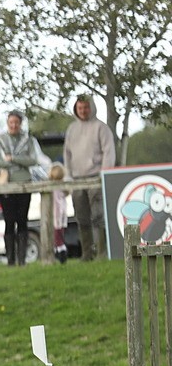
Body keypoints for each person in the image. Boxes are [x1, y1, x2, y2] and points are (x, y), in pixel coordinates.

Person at [63, 94, 117, 261]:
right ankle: (86, 254)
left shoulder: (101, 128)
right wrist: (68, 175)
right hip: (77, 180)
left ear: (91, 107)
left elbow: (109, 152)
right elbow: (67, 154)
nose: (83, 111)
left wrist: (104, 173)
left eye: (86, 107)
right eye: (80, 108)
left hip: (96, 178)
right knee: (81, 218)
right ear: (76, 109)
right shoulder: (71, 129)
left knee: (99, 216)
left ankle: (102, 253)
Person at [0, 110, 41, 266]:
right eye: (11, 122)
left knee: (22, 221)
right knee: (9, 221)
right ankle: (11, 261)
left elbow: (33, 160)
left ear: (20, 123)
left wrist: (13, 158)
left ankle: (22, 260)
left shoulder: (28, 140)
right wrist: (20, 162)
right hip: (6, 184)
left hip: (24, 183)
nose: (13, 125)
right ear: (7, 123)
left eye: (16, 123)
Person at [49, 162, 70, 263]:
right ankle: (61, 249)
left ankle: (60, 251)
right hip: (62, 213)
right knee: (60, 233)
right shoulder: (63, 188)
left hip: (56, 213)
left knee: (57, 234)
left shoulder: (54, 189)